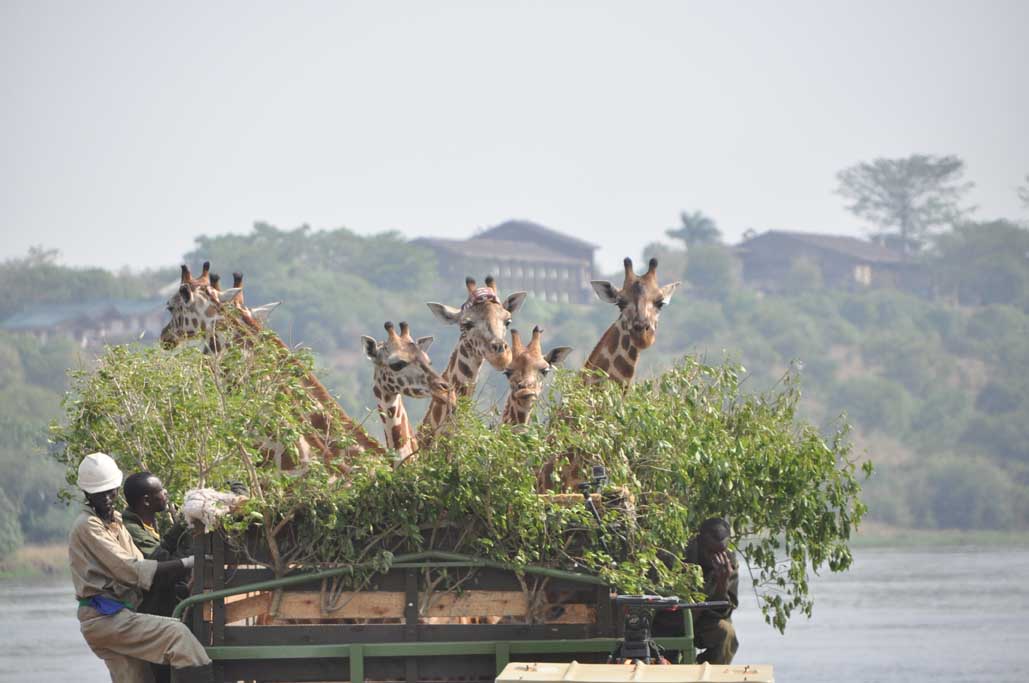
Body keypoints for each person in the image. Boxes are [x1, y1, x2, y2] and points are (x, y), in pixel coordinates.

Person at [69, 452, 213, 683]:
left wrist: (183, 578)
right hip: (105, 618)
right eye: (98, 494)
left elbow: (144, 563)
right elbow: (132, 570)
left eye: (109, 492)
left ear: (116, 490)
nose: (106, 498)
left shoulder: (114, 522)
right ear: (87, 493)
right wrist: (188, 563)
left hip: (117, 615)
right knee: (177, 635)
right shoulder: (88, 526)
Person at [122, 472, 193, 683]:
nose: (165, 494)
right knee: (163, 672)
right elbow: (163, 562)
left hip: (162, 611)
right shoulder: (131, 529)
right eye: (160, 491)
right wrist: (191, 550)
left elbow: (165, 547)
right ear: (146, 500)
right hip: (151, 613)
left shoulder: (148, 523)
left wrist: (183, 522)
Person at [683, 517, 739, 664]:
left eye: (721, 551)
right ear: (699, 542)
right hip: (675, 620)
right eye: (711, 551)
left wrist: (722, 584)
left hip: (705, 621)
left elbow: (724, 613)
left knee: (727, 633)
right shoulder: (681, 556)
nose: (717, 557)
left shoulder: (728, 563)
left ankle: (709, 674)